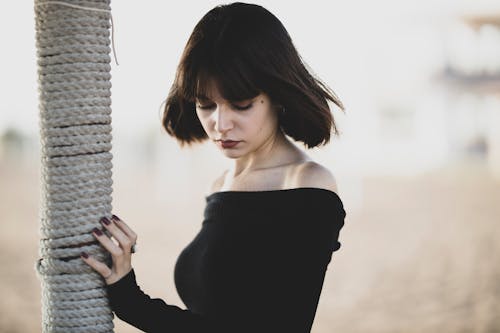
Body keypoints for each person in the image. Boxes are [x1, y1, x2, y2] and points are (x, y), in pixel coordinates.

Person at [81, 2, 346, 332]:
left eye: (241, 104)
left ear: (277, 94)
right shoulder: (222, 184)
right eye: (205, 105)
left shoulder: (309, 187)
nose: (220, 124)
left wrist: (129, 299)